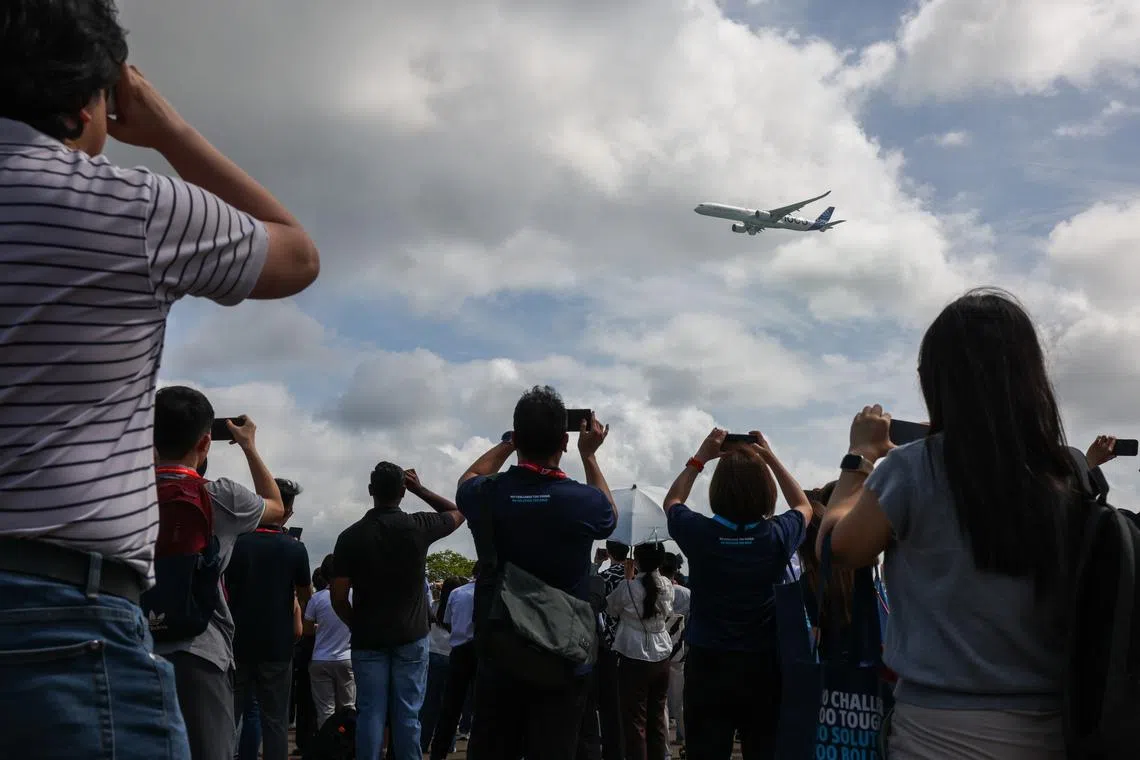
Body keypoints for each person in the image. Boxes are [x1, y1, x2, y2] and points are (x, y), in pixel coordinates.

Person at [0, 1, 318, 755]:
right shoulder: (134, 207)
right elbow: (296, 255)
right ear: (94, 99)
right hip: (64, 620)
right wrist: (170, 130)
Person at [818, 289, 1078, 759]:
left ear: (937, 380)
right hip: (1058, 726)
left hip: (939, 731)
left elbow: (838, 547)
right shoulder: (1067, 473)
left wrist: (858, 458)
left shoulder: (914, 469)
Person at [458, 385, 618, 759]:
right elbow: (608, 514)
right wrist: (589, 457)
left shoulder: (488, 494)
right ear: (564, 440)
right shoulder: (581, 501)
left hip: (502, 646)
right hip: (563, 654)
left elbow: (468, 476)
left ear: (517, 437)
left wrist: (507, 445)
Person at [151, 387, 288, 760]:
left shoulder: (122, 494)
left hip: (130, 643)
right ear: (206, 443)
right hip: (200, 647)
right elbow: (276, 507)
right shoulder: (221, 496)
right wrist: (248, 446)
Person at [663, 430, 813, 759]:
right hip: (763, 664)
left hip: (708, 663)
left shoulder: (700, 533)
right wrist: (769, 457)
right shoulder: (775, 535)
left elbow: (672, 502)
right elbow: (803, 505)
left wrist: (700, 457)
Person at [331, 465, 464, 760]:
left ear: (370, 491)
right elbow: (458, 511)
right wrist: (421, 489)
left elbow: (338, 597)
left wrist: (357, 623)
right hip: (411, 635)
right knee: (408, 714)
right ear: (402, 492)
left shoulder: (350, 536)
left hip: (368, 638)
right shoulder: (418, 526)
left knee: (370, 712)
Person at [226, 479, 312, 760]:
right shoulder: (295, 549)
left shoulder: (236, 543)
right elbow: (304, 595)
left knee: (229, 717)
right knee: (274, 720)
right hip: (277, 644)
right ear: (287, 512)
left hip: (236, 643)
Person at [606, 542, 674, 760]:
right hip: (662, 657)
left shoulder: (628, 587)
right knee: (657, 719)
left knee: (636, 723)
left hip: (633, 657)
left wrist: (628, 579)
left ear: (636, 561)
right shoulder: (667, 584)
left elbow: (611, 608)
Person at [429, 569, 480, 759]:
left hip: (459, 650)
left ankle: (439, 751)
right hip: (482, 650)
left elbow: (448, 620)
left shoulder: (458, 593)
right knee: (479, 706)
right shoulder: (492, 591)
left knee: (450, 706)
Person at [305, 555, 356, 730]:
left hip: (320, 658)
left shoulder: (317, 598)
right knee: (349, 707)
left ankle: (326, 747)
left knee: (325, 711)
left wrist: (321, 628)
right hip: (347, 658)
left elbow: (307, 629)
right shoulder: (353, 595)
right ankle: (349, 747)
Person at [421, 576, 464, 754]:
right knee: (451, 704)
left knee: (429, 704)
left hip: (433, 653)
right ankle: (448, 742)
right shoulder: (461, 604)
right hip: (453, 654)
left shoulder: (434, 605)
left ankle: (423, 742)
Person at [660, 552, 690, 752]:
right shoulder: (687, 593)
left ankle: (664, 748)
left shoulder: (657, 591)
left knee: (661, 701)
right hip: (680, 648)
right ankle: (683, 736)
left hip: (659, 647)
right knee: (680, 699)